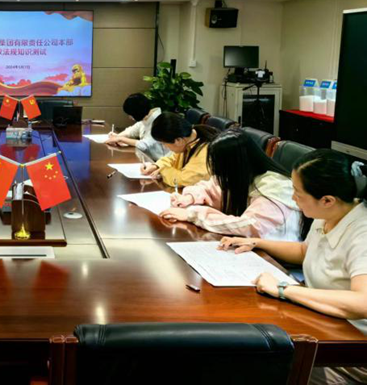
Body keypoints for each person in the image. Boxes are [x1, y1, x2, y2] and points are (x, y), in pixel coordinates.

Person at [219, 149, 367, 385]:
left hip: (349, 351)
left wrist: (283, 289)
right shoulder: (329, 213)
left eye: (298, 193)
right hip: (320, 322)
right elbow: (305, 251)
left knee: (249, 364)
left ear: (327, 200)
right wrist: (257, 242)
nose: (293, 198)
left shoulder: (362, 233)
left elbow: (362, 303)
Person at [160, 129, 304, 241]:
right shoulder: (243, 174)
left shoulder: (274, 187)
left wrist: (192, 214)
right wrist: (190, 197)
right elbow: (213, 186)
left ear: (235, 165)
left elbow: (248, 226)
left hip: (274, 259)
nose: (217, 174)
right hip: (249, 247)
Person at [141, 112, 218, 187]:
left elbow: (184, 180)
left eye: (164, 143)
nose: (165, 147)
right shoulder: (188, 137)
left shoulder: (204, 151)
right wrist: (156, 166)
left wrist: (162, 171)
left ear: (178, 140)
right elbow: (172, 159)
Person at [105, 93, 169, 161]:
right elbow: (131, 131)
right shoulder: (146, 117)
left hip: (161, 162)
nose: (129, 117)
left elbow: (144, 145)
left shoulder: (159, 122)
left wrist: (120, 139)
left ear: (137, 112)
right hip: (149, 159)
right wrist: (117, 136)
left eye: (130, 115)